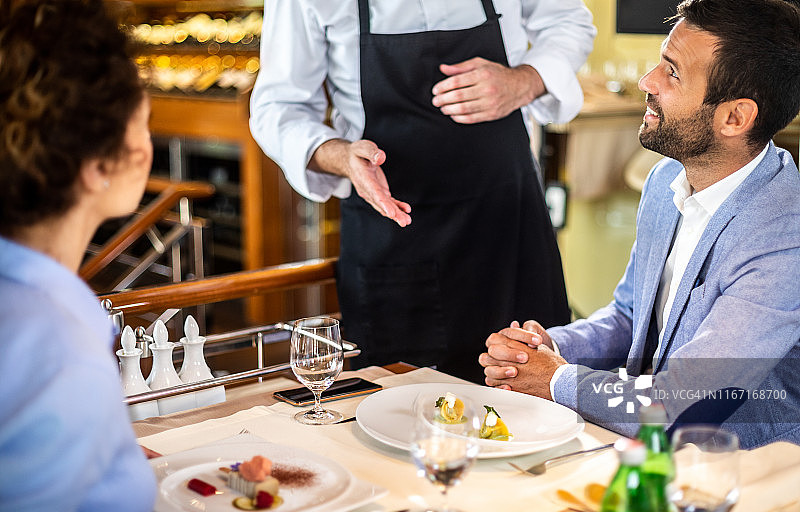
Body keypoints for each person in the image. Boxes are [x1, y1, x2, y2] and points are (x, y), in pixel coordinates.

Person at [0, 1, 295, 512]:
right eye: (142, 125)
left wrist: (100, 456)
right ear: (96, 165)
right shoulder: (53, 349)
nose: (148, 147)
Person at [479, 0, 800, 449]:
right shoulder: (666, 177)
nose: (647, 81)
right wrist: (547, 347)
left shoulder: (786, 238)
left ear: (736, 117)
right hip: (649, 451)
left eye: (672, 73)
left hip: (743, 476)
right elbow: (632, 317)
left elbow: (681, 401)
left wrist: (556, 380)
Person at [250, 1, 595, 382]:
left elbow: (569, 21)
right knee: (404, 407)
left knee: (537, 400)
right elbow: (278, 109)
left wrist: (526, 80)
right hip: (395, 235)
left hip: (508, 223)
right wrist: (342, 157)